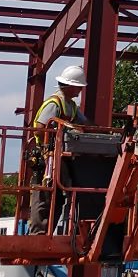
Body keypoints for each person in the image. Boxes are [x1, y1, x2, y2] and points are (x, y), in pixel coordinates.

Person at [27, 63, 87, 229]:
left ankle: (50, 231)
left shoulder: (71, 105)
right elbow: (39, 129)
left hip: (59, 157)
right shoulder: (55, 103)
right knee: (43, 196)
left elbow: (87, 124)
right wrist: (62, 129)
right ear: (69, 86)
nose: (80, 91)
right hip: (46, 157)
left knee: (59, 196)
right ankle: (39, 234)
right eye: (78, 87)